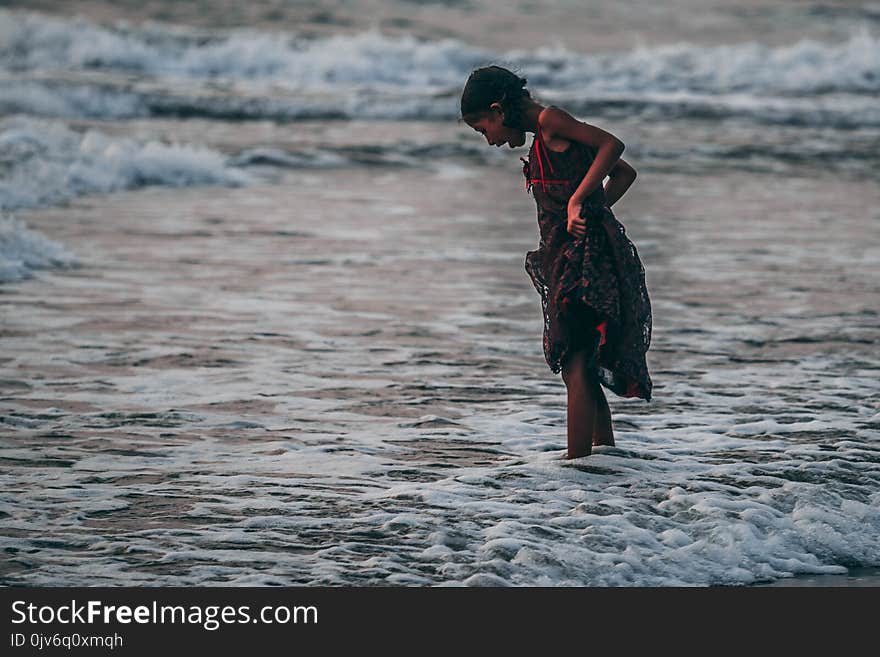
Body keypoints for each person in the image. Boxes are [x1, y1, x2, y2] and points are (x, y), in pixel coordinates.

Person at [460, 65, 652, 459]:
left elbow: (614, 147)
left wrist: (579, 202)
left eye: (483, 130)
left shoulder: (551, 121)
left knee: (577, 363)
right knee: (580, 360)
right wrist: (584, 213)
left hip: (587, 261)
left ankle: (579, 466)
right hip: (567, 257)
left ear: (497, 110)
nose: (490, 141)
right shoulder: (542, 141)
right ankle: (604, 458)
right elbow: (624, 176)